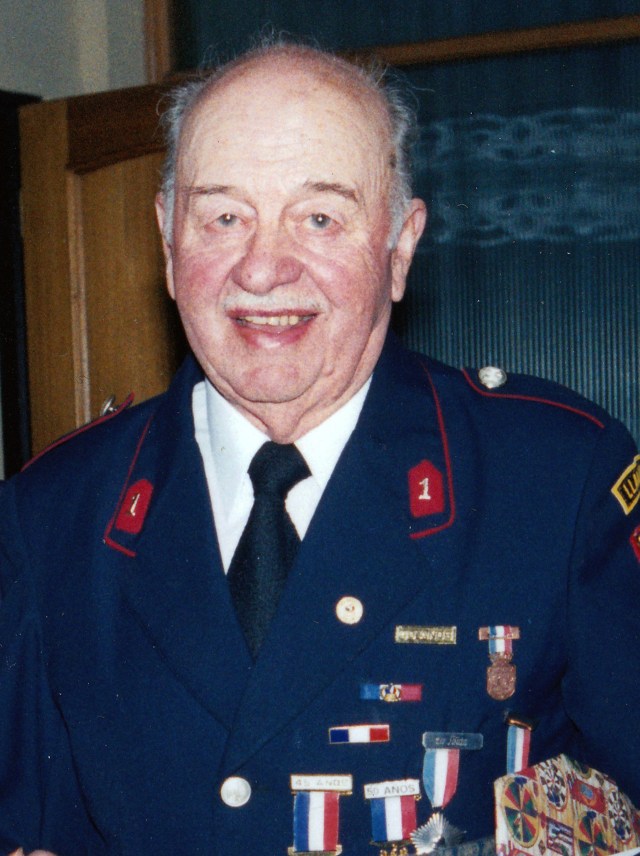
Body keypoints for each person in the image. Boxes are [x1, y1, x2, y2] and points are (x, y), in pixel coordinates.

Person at [0, 40, 639, 856]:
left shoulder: (556, 481)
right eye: (224, 217)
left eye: (320, 218)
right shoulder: (52, 512)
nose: (263, 269)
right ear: (167, 241)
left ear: (399, 247)